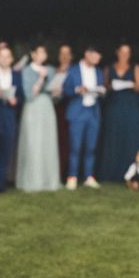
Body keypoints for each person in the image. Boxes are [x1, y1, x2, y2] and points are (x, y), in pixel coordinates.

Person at [16, 44, 61, 192]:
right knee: (33, 142)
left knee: (47, 142)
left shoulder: (51, 70)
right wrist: (41, 78)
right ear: (33, 54)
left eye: (44, 52)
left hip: (47, 107)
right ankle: (32, 180)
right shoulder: (27, 71)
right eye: (39, 52)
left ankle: (49, 180)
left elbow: (56, 97)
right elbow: (30, 95)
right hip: (33, 108)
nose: (42, 55)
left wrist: (56, 91)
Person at [63, 45, 106, 190]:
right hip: (78, 112)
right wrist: (77, 90)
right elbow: (66, 89)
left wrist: (100, 91)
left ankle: (89, 176)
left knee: (91, 146)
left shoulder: (99, 71)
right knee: (75, 146)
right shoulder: (74, 70)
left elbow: (101, 88)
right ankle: (72, 176)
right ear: (88, 54)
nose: (98, 58)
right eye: (96, 55)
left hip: (93, 112)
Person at [99, 44, 139, 182]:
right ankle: (110, 173)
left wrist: (131, 85)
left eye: (127, 52)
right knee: (113, 138)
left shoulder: (135, 67)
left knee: (130, 138)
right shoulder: (108, 68)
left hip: (130, 107)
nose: (124, 55)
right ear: (117, 52)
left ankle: (131, 173)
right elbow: (104, 87)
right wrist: (110, 86)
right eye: (122, 52)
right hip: (114, 107)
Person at [0, 47, 24, 193]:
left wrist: (16, 100)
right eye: (2, 56)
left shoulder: (17, 75)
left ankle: (0, 185)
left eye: (7, 56)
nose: (4, 59)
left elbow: (21, 97)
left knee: (5, 151)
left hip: (9, 115)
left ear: (11, 59)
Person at [55, 44, 73, 179]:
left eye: (67, 53)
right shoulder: (54, 71)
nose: (65, 56)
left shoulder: (75, 71)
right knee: (59, 140)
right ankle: (58, 171)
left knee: (70, 141)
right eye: (62, 53)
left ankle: (69, 172)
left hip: (71, 107)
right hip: (57, 109)